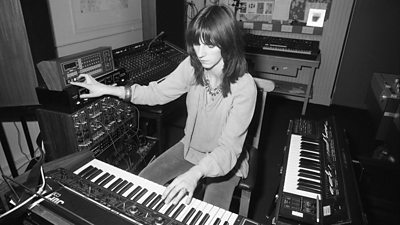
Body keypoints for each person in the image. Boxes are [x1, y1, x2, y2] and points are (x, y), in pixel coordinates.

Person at [71, 4, 257, 210]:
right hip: (190, 148)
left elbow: (228, 149)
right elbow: (156, 92)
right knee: (140, 186)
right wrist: (105, 89)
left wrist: (195, 174)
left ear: (227, 44)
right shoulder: (193, 66)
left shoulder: (245, 86)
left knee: (212, 212)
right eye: (197, 43)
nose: (201, 52)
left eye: (210, 45)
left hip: (226, 162)